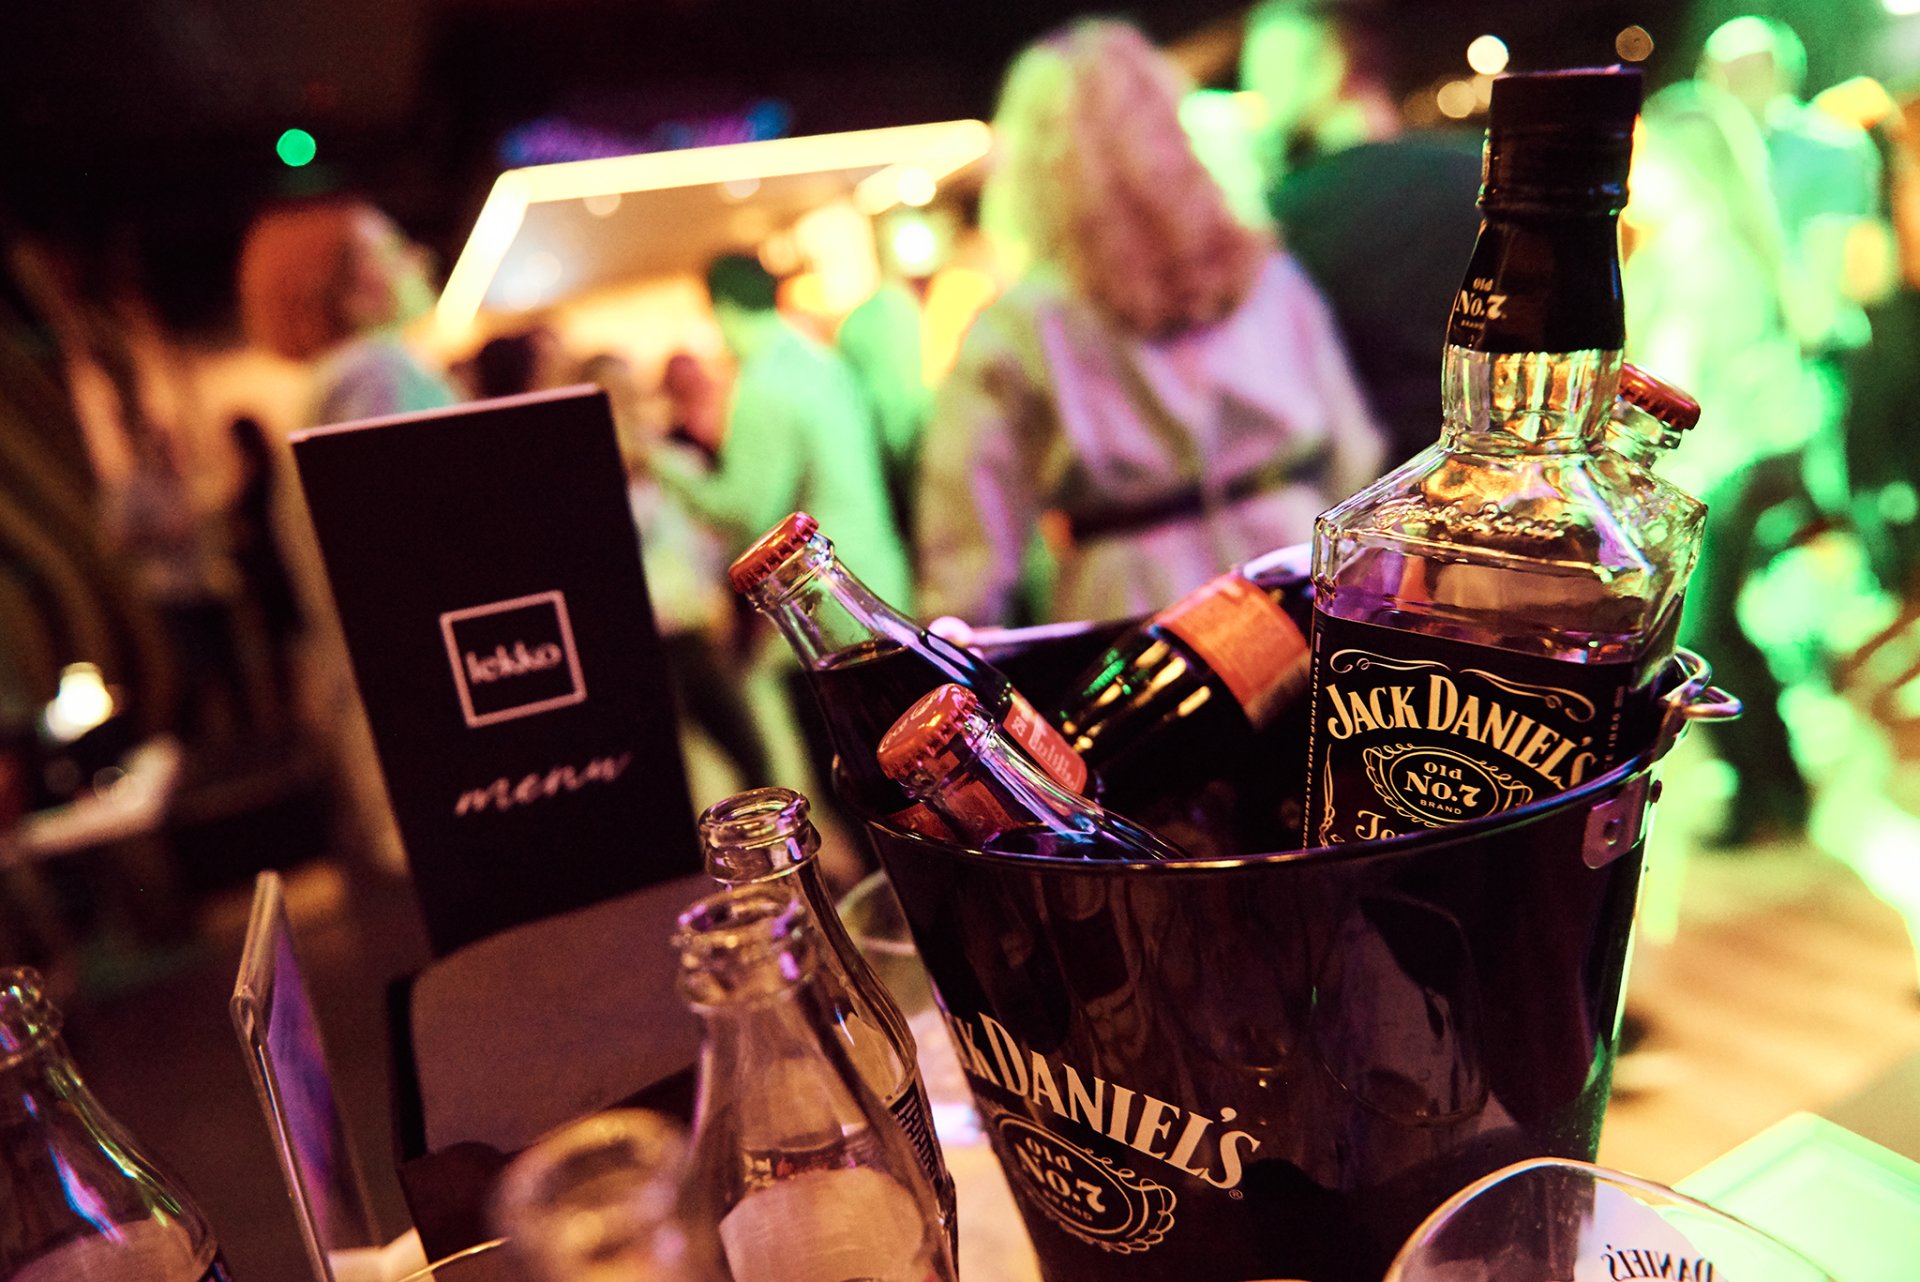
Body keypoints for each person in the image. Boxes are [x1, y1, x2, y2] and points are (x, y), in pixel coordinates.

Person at [916, 18, 1384, 628]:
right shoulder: (1265, 274)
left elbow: (966, 546)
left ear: (1032, 158)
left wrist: (960, 634)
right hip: (1294, 571)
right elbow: (1353, 451)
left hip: (1134, 604)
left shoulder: (1020, 324)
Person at [1625, 81, 1825, 844]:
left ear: (1688, 164)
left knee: (1704, 631)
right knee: (1727, 631)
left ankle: (1766, 794)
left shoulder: (1705, 262)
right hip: (1750, 460)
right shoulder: (1720, 249)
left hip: (1726, 467)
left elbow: (1679, 393)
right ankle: (1779, 789)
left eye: (1649, 158)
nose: (1636, 175)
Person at [237, 197, 456, 872]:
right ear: (343, 288)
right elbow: (433, 557)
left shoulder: (336, 384)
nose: (416, 258)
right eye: (390, 249)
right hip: (452, 725)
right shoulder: (375, 376)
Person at [1242, 0, 1485, 469]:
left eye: (1268, 67)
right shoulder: (1478, 172)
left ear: (1330, 64)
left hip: (1373, 480)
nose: (1255, 91)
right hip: (1497, 462)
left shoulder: (1285, 212)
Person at [650, 254, 910, 607]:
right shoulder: (823, 360)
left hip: (827, 592)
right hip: (880, 572)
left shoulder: (763, 384)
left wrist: (658, 463)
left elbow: (746, 512)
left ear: (723, 310)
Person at [582, 351, 773, 793]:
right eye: (608, 397)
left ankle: (766, 830)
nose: (620, 406)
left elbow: (708, 538)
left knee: (750, 750)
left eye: (625, 394)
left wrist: (717, 596)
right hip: (638, 642)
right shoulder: (586, 484)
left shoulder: (671, 463)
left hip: (690, 628)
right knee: (665, 774)